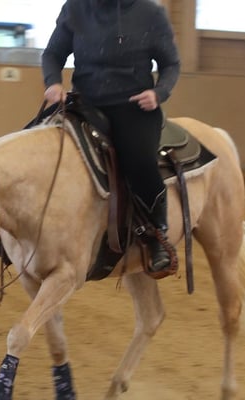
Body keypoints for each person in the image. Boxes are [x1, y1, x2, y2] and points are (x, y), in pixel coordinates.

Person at [41, 0, 181, 274]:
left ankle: (155, 235)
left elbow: (171, 63)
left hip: (134, 106)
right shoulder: (76, 8)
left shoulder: (151, 13)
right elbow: (53, 54)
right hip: (84, 105)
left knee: (140, 162)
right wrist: (53, 83)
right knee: (39, 142)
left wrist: (159, 93)